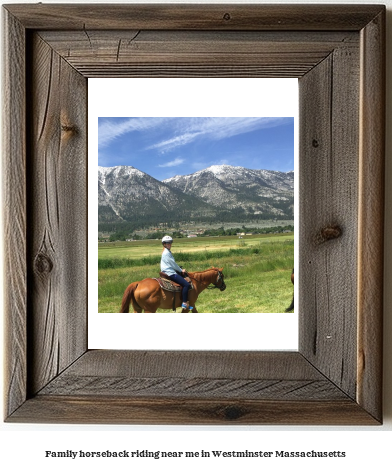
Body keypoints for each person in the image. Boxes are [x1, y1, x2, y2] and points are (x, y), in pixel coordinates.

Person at [160, 235, 191, 310]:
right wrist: (181, 270)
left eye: (170, 243)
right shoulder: (166, 253)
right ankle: (184, 303)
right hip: (170, 273)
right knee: (186, 284)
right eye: (167, 243)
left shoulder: (166, 251)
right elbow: (173, 264)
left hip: (167, 270)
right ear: (164, 244)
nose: (169, 244)